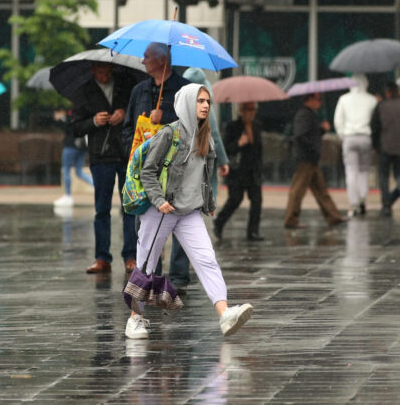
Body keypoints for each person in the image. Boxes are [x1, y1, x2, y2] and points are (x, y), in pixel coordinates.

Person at [125, 83, 254, 339]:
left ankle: (225, 313)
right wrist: (158, 199)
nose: (206, 105)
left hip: (189, 212)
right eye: (200, 101)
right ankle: (134, 318)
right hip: (161, 210)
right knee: (147, 264)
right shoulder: (168, 134)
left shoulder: (204, 136)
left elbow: (203, 177)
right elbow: (147, 171)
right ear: (186, 103)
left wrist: (209, 203)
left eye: (208, 101)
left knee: (207, 259)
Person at [70, 62, 136, 274]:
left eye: (108, 72)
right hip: (101, 155)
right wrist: (94, 121)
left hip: (126, 152)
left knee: (130, 207)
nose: (105, 77)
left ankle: (131, 255)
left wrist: (124, 113)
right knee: (102, 208)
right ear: (93, 71)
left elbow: (139, 112)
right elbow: (75, 127)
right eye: (101, 73)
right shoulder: (84, 91)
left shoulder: (126, 85)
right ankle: (102, 257)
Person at [171, 68, 229, 286]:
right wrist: (223, 161)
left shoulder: (178, 102)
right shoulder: (204, 107)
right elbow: (214, 135)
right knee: (186, 221)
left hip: (180, 176)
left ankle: (168, 274)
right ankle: (178, 274)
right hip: (193, 176)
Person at [284, 93, 347, 228]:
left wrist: (321, 130)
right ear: (309, 100)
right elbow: (301, 135)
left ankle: (333, 216)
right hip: (306, 158)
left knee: (320, 189)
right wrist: (313, 147)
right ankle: (290, 219)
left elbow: (310, 134)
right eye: (317, 99)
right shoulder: (304, 115)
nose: (319, 102)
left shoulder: (310, 115)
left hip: (310, 158)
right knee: (298, 190)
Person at [214, 102, 263, 241]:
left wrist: (260, 168)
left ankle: (253, 231)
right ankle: (219, 222)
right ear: (241, 111)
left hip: (253, 171)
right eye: (248, 109)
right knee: (235, 199)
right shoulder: (232, 126)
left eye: (253, 109)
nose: (251, 113)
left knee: (257, 201)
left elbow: (259, 151)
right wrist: (239, 143)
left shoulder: (257, 126)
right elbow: (225, 149)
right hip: (237, 171)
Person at [333, 74, 378, 216]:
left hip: (350, 138)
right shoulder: (372, 100)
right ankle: (363, 199)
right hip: (365, 138)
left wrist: (344, 136)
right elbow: (376, 122)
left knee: (351, 172)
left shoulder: (344, 99)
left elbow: (338, 121)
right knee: (364, 171)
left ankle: (353, 204)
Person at [371, 83, 400, 217]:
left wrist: (375, 145)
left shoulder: (381, 107)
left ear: (388, 93)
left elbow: (374, 127)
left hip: (385, 147)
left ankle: (386, 205)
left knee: (383, 177)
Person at [54, 108, 93, 207]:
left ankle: (68, 196)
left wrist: (63, 120)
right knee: (79, 172)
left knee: (66, 170)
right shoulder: (84, 113)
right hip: (82, 147)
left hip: (70, 146)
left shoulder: (70, 116)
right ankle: (97, 186)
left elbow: (69, 130)